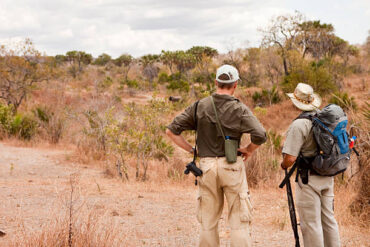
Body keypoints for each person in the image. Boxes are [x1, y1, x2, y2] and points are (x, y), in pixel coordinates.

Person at [166, 65, 267, 247]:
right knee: (239, 223)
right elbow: (261, 134)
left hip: (206, 166)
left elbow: (171, 131)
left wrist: (192, 151)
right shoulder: (239, 108)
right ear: (235, 85)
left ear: (216, 82)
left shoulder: (199, 105)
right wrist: (249, 149)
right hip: (232, 167)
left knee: (208, 222)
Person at [281, 83, 341, 247]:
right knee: (329, 220)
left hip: (308, 180)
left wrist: (283, 164)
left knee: (311, 224)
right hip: (328, 175)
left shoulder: (299, 124)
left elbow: (290, 158)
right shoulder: (324, 118)